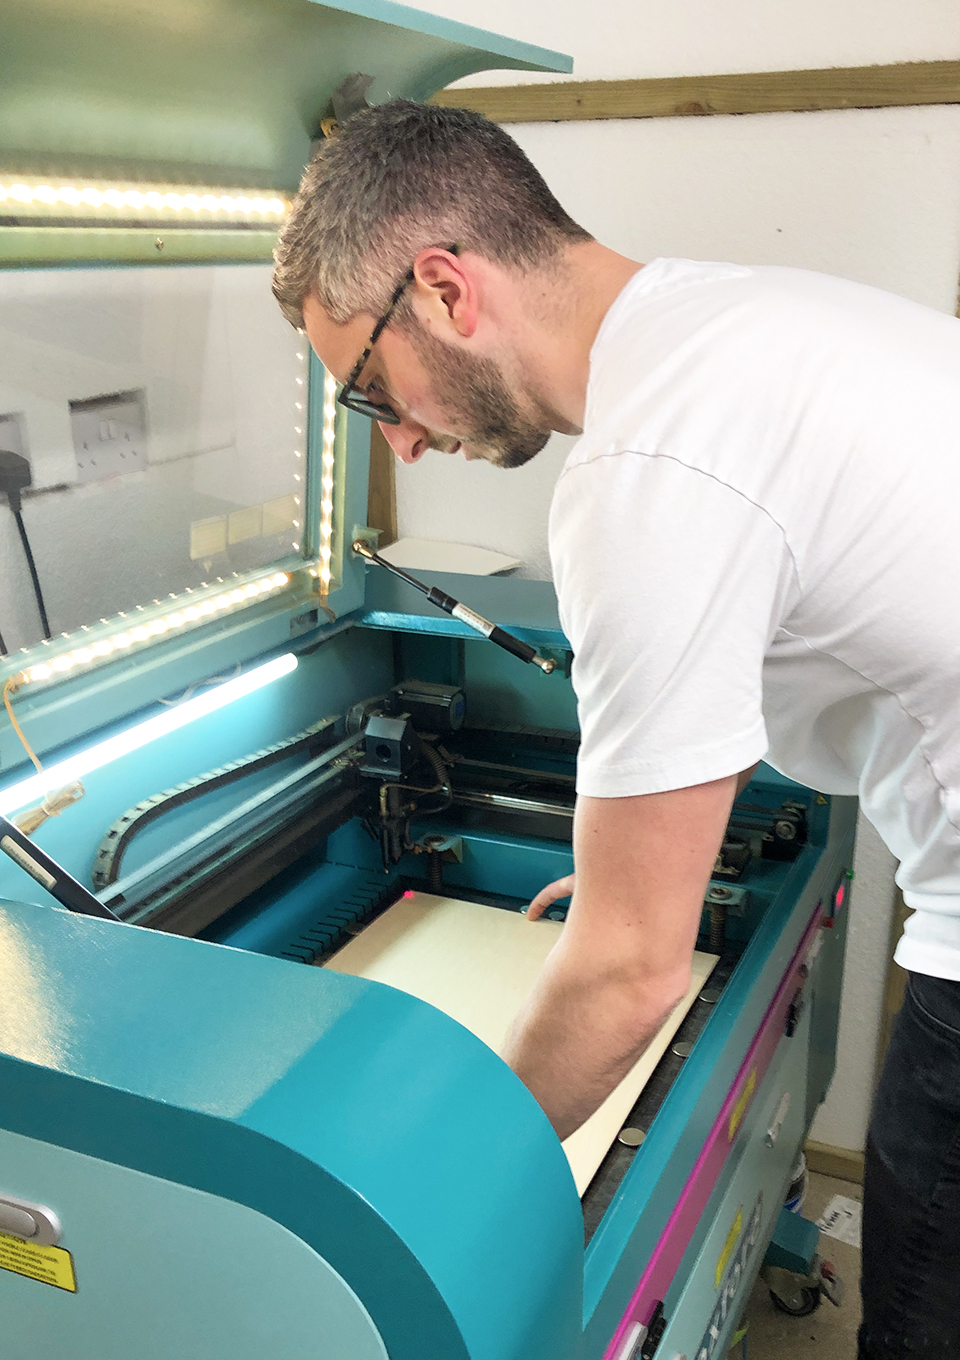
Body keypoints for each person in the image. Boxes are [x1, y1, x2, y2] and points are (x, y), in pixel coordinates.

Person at [272, 99, 960, 1359]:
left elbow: (630, 972)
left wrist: (446, 1193)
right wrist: (639, 851)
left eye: (374, 392)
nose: (408, 443)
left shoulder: (647, 478)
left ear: (442, 288)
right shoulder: (721, 321)